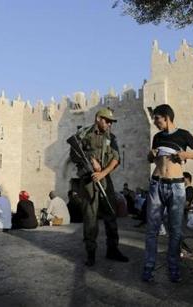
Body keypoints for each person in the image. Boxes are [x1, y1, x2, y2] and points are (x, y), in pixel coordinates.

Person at [142, 104, 193, 283]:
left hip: (177, 186)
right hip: (156, 184)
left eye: (156, 118)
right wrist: (151, 154)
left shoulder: (184, 134)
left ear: (166, 117)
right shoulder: (157, 137)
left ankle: (173, 268)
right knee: (152, 229)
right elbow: (152, 160)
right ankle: (148, 268)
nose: (155, 122)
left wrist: (187, 155)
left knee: (175, 230)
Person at [69, 107, 128, 266]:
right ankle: (91, 253)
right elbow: (74, 154)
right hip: (88, 181)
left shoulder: (111, 137)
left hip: (104, 180)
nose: (109, 124)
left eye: (111, 122)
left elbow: (116, 159)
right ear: (98, 119)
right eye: (107, 121)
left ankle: (113, 249)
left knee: (110, 212)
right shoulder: (83, 134)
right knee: (90, 216)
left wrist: (103, 173)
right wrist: (89, 159)